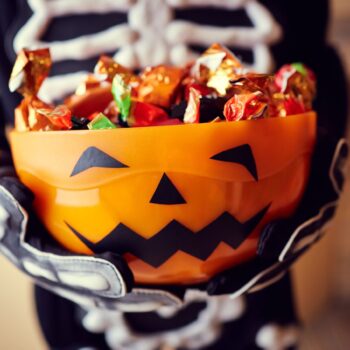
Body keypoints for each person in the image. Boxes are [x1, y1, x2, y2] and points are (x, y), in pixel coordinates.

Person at [0, 0, 348, 349]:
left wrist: (318, 179)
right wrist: (11, 226)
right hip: (80, 305)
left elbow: (318, 72)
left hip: (252, 289)